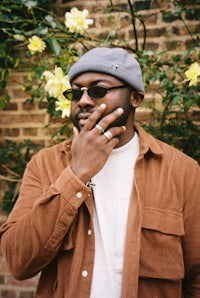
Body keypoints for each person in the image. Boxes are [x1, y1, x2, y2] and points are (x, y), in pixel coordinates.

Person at [0, 47, 200, 298]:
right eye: (75, 92)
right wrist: (77, 172)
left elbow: (196, 275)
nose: (83, 100)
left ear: (135, 98)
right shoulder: (45, 164)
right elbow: (18, 262)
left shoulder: (183, 173)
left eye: (97, 90)